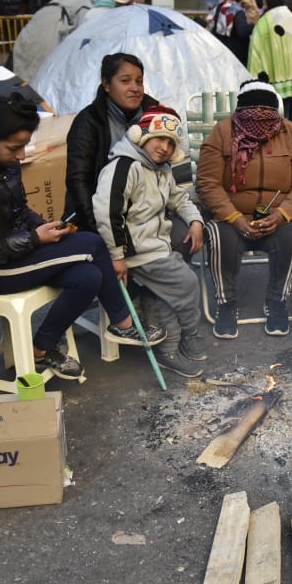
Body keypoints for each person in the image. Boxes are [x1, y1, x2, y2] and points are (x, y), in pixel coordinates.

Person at [0, 93, 165, 381]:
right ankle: (123, 323)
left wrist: (45, 226)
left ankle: (40, 349)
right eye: (15, 147)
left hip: (16, 250)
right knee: (92, 242)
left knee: (88, 276)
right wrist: (35, 239)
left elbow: (19, 210)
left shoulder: (4, 160)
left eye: (24, 145)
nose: (22, 156)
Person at [195, 77, 292, 339]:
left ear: (275, 112)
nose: (259, 120)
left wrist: (282, 214)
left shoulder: (290, 132)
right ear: (239, 111)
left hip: (275, 217)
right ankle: (226, 304)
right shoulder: (222, 132)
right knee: (218, 236)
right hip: (232, 218)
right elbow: (207, 183)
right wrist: (233, 217)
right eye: (252, 112)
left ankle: (277, 300)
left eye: (266, 113)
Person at [94, 106, 206, 379]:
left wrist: (195, 221)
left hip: (155, 247)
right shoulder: (123, 167)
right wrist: (116, 255)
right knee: (187, 282)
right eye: (159, 138)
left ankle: (168, 350)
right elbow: (107, 212)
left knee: (166, 292)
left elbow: (178, 198)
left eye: (171, 143)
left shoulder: (161, 169)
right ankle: (190, 335)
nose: (165, 147)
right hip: (135, 252)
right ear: (141, 135)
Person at [64, 52, 159, 234]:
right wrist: (100, 229)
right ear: (106, 84)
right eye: (125, 81)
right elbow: (79, 181)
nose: (135, 88)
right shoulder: (88, 122)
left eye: (139, 81)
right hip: (99, 216)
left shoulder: (155, 116)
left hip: (148, 212)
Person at [247, 0, 292, 123]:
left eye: (264, 3)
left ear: (269, 2)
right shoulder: (291, 17)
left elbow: (257, 45)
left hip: (277, 72)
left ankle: (281, 128)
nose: (263, 6)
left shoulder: (266, 20)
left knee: (280, 100)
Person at [208, 0, 252, 65]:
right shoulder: (235, 9)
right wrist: (255, 25)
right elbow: (242, 31)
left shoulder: (216, 9)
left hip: (221, 54)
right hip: (237, 56)